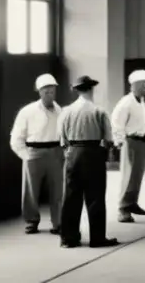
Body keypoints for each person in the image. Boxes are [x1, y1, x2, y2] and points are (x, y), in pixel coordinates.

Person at [57, 75, 118, 249]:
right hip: (93, 154)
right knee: (96, 197)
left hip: (73, 153)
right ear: (91, 89)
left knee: (71, 197)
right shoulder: (99, 111)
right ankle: (97, 238)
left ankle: (68, 239)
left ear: (77, 90)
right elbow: (108, 139)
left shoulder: (66, 111)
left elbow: (62, 140)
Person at [9, 73, 64, 235]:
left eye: (52, 90)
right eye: (46, 91)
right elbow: (16, 137)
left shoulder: (59, 110)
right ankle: (31, 221)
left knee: (58, 189)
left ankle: (58, 222)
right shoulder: (27, 111)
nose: (49, 94)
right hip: (33, 152)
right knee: (31, 190)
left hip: (55, 151)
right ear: (39, 92)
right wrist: (26, 155)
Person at [111, 69, 145, 223]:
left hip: (142, 141)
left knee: (137, 175)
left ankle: (132, 202)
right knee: (127, 176)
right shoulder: (126, 103)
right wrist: (120, 141)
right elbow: (117, 123)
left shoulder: (140, 101)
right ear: (134, 85)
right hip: (130, 141)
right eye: (143, 84)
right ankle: (123, 208)